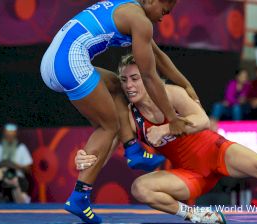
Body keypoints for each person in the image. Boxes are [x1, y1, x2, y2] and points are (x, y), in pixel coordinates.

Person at [75, 54, 257, 223]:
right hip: (188, 174)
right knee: (140, 189)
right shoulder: (128, 114)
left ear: (148, 78)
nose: (129, 86)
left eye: (135, 78)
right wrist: (87, 156)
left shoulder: (170, 94)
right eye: (124, 81)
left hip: (214, 151)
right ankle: (199, 217)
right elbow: (111, 142)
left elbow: (203, 121)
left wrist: (168, 128)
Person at [40, 1, 199, 223]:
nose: (162, 19)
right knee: (108, 126)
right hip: (68, 61)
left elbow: (159, 56)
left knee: (116, 85)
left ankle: (132, 150)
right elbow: (150, 76)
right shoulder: (140, 20)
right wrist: (172, 119)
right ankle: (79, 197)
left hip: (52, 62)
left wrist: (186, 84)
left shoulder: (130, 9)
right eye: (164, 11)